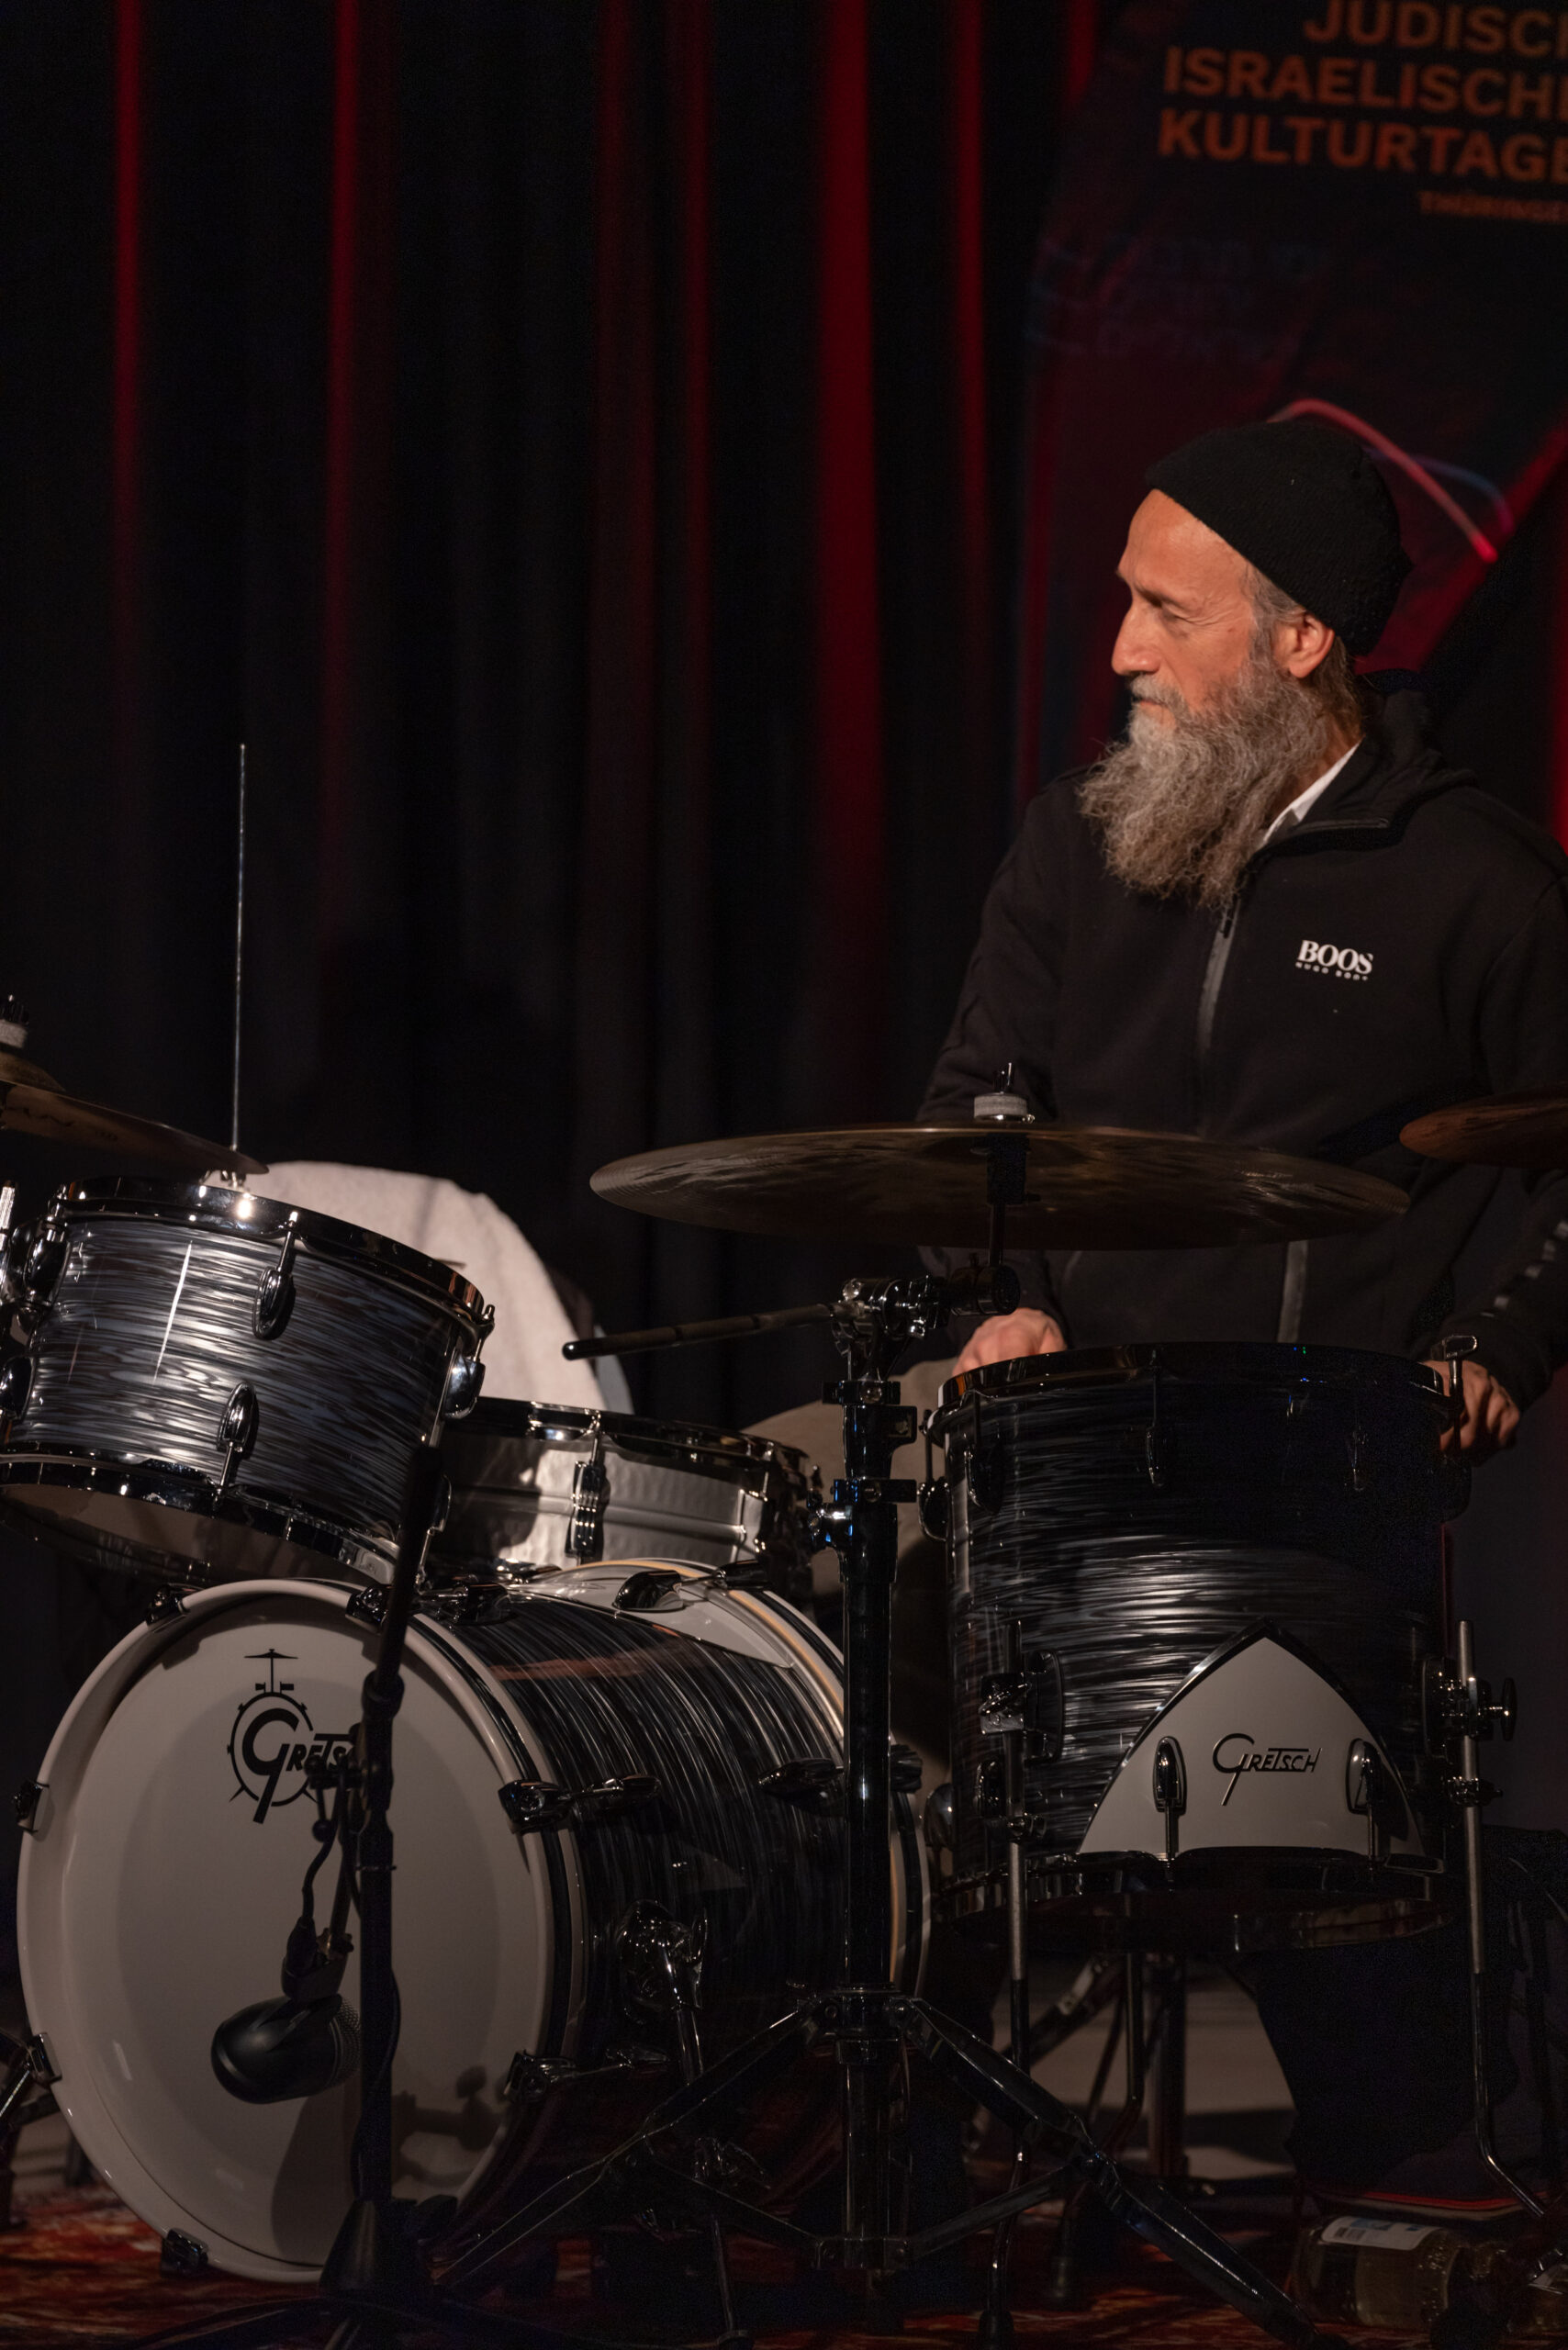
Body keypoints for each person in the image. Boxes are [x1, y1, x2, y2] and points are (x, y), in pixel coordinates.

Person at [920, 416, 1568, 2210]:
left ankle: (1399, 2168)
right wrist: (1000, 1301)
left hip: (1319, 1472)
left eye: (1167, 610)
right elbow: (976, 1107)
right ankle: (887, 2129)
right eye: (1123, 600)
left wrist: (1499, 1346)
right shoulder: (1078, 844)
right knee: (854, 1650)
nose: (1119, 649)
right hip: (1072, 1429)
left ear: (1300, 637)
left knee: (1337, 1960)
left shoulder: (1475, 882)